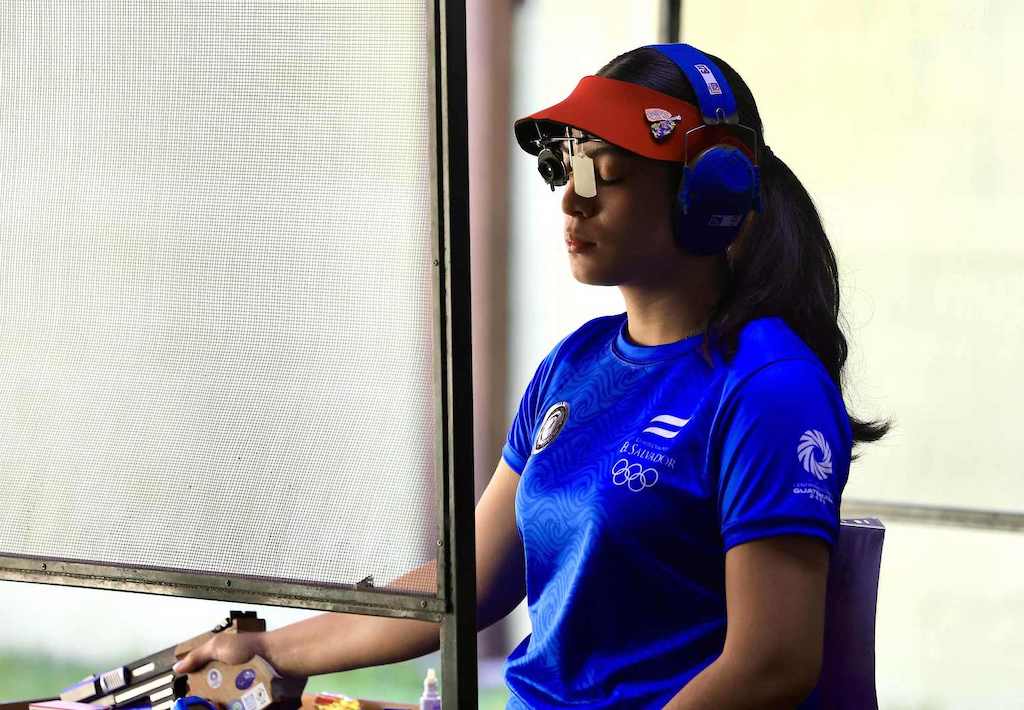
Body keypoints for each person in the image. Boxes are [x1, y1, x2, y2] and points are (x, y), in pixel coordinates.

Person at [175, 43, 889, 709]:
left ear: (709, 191)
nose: (572, 200)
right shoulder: (575, 365)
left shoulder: (769, 387)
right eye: (567, 168)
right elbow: (470, 583)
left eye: (605, 172)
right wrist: (271, 650)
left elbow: (771, 662)